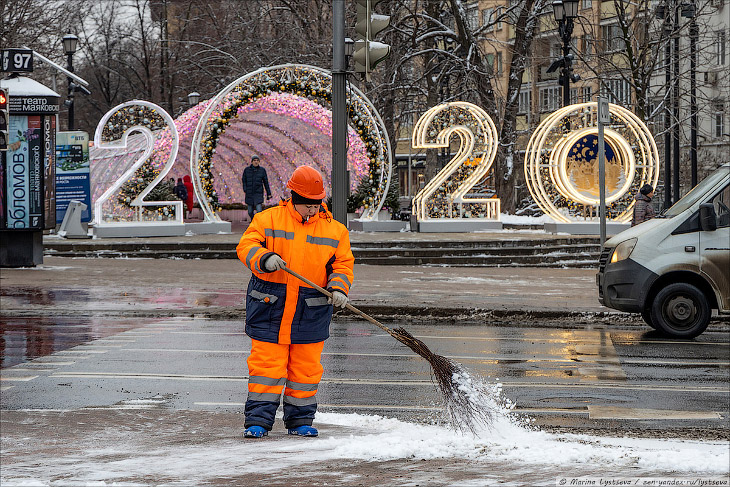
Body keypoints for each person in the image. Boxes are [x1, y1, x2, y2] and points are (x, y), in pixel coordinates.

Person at [236, 165, 354, 439]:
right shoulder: (269, 220)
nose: (312, 211)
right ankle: (258, 423)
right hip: (270, 307)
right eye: (307, 205)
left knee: (306, 370)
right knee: (266, 368)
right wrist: (264, 258)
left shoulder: (335, 231)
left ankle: (301, 421)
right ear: (293, 199)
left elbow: (343, 266)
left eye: (316, 205)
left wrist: (338, 288)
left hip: (310, 309)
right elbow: (246, 245)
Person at [242, 155, 272, 220]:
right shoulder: (247, 170)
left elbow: (265, 182)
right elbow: (244, 180)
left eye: (257, 160)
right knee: (250, 211)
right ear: (252, 162)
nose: (256, 162)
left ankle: (258, 223)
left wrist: (269, 193)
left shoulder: (262, 170)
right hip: (249, 193)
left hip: (258, 193)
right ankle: (254, 221)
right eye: (254, 160)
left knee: (259, 211)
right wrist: (245, 189)